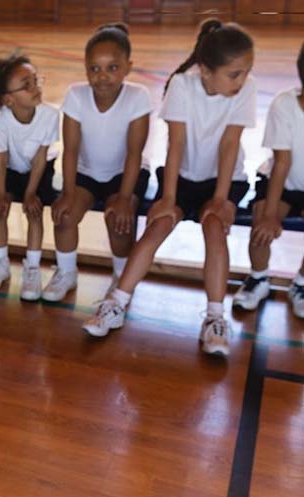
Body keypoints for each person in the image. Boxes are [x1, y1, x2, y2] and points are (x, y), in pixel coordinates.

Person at [83, 20, 256, 358]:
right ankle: (116, 303)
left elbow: (229, 145)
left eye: (246, 72)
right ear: (206, 71)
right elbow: (175, 144)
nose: (243, 80)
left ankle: (215, 319)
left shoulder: (244, 90)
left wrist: (220, 199)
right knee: (159, 224)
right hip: (181, 176)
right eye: (234, 74)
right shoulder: (182, 85)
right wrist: (169, 199)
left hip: (225, 177)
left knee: (214, 227)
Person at [45, 23, 152, 302]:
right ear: (85, 68)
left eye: (112, 68)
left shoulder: (137, 97)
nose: (102, 76)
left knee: (119, 221)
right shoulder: (76, 95)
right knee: (65, 217)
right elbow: (70, 149)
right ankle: (66, 272)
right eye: (94, 68)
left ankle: (120, 278)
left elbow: (134, 153)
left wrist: (126, 197)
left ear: (128, 67)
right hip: (86, 172)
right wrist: (68, 193)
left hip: (125, 173)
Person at [0, 54, 60, 299]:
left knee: (35, 210)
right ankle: (1, 263)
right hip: (9, 167)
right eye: (26, 84)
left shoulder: (49, 115)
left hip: (39, 169)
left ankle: (32, 267)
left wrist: (31, 193)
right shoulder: (0, 118)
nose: (35, 87)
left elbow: (41, 157)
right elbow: (0, 158)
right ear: (8, 99)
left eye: (35, 80)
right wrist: (0, 194)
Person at [233, 41, 304, 318]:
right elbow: (282, 162)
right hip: (280, 181)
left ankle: (300, 284)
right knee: (261, 223)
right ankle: (259, 278)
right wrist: (271, 214)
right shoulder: (284, 105)